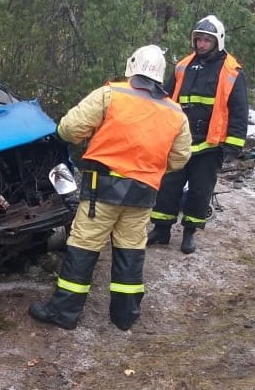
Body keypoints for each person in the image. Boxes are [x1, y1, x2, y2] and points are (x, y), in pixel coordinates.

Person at [28, 45, 192, 332]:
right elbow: (179, 158)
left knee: (84, 246)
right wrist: (147, 168)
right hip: (143, 194)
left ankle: (64, 312)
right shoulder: (175, 112)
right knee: (131, 250)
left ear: (133, 68)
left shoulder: (111, 94)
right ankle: (124, 316)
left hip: (101, 190)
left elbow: (68, 129)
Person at [146, 15, 249, 254]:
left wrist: (233, 146)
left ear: (218, 41)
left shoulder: (231, 71)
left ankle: (189, 233)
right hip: (179, 140)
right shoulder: (183, 65)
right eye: (198, 39)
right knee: (168, 186)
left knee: (200, 191)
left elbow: (239, 110)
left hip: (210, 145)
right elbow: (166, 98)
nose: (201, 44)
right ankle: (161, 229)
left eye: (206, 41)